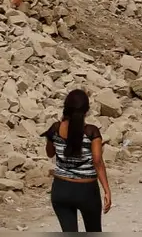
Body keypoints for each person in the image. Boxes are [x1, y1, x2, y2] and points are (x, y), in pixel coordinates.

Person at [42, 89, 113, 232]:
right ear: (86, 110)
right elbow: (98, 162)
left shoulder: (55, 128)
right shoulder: (91, 132)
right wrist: (107, 190)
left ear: (66, 107)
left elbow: (50, 153)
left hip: (61, 189)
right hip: (86, 191)